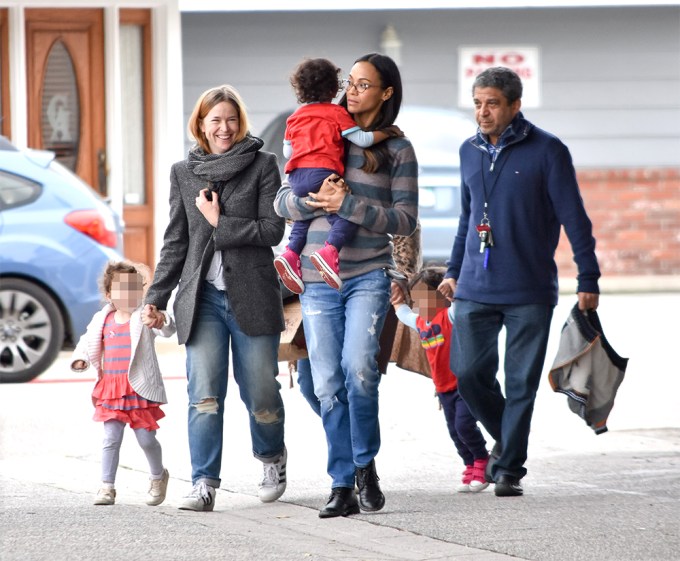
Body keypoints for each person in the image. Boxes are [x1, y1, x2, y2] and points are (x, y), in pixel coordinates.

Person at [438, 67, 601, 498]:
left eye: (492, 103)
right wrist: (454, 271)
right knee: (468, 373)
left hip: (529, 288)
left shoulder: (548, 150)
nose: (483, 112)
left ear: (514, 105)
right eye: (477, 103)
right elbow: (468, 218)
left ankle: (508, 468)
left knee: (521, 383)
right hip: (474, 284)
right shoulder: (468, 150)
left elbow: (574, 218)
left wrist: (589, 275)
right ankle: (507, 447)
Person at [274, 53, 418, 519]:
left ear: (386, 93)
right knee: (328, 381)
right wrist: (311, 200)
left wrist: (350, 204)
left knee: (359, 369)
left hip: (367, 276)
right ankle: (343, 481)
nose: (352, 91)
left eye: (363, 84)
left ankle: (363, 465)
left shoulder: (397, 149)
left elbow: (405, 219)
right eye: (350, 82)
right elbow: (281, 199)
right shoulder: (324, 129)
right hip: (316, 281)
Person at [142, 84, 288, 512]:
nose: (224, 128)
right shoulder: (183, 172)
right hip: (201, 298)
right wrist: (157, 295)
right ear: (201, 126)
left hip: (253, 295)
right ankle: (203, 482)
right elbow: (177, 241)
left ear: (240, 122)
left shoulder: (264, 165)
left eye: (231, 119)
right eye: (215, 120)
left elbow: (272, 231)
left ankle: (271, 458)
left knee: (260, 390)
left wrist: (220, 222)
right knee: (204, 395)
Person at [274, 57, 397, 294]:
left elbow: (287, 151)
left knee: (302, 220)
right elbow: (362, 139)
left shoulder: (295, 117)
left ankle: (290, 254)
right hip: (324, 173)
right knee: (344, 213)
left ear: (300, 91)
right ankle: (330, 250)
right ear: (334, 89)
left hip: (297, 176)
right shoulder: (335, 113)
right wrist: (387, 132)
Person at [71, 260, 176, 507]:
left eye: (133, 289)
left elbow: (167, 329)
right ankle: (106, 486)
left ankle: (158, 476)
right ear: (109, 295)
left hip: (138, 388)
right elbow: (87, 340)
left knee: (146, 439)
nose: (128, 295)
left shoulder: (143, 316)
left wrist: (160, 319)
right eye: (121, 289)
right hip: (111, 389)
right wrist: (80, 358)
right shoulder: (102, 319)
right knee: (111, 438)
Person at [393, 266, 489, 493]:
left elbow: (462, 304)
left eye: (425, 299)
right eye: (417, 301)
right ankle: (469, 464)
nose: (420, 306)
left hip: (462, 385)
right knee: (455, 432)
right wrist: (397, 300)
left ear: (442, 296)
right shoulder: (421, 322)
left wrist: (455, 289)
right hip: (443, 388)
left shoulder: (451, 315)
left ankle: (482, 460)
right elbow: (404, 314)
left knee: (464, 425)